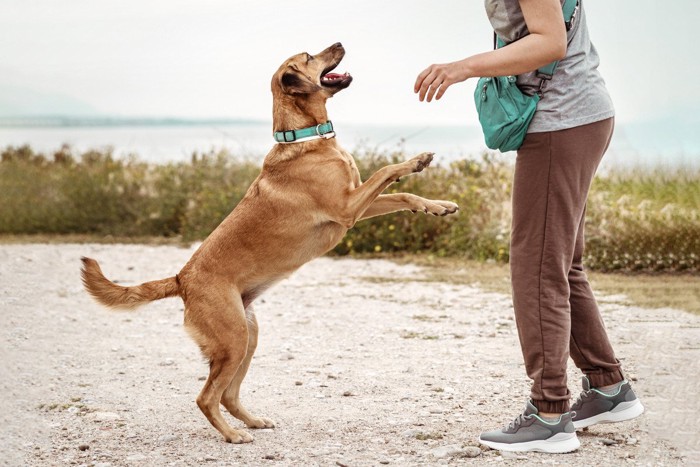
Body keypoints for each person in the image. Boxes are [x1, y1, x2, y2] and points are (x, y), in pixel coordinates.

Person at [414, 0, 644, 454]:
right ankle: (607, 387)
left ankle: (550, 414)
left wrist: (463, 68)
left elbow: (549, 42)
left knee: (536, 268)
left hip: (562, 120)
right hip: (577, 116)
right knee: (560, 265)